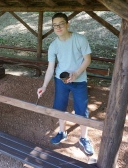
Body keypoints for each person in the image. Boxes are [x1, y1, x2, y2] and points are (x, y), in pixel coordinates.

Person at [37, 13, 94, 155]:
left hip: (79, 80)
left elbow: (87, 59)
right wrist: (44, 86)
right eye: (55, 25)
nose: (58, 27)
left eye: (61, 23)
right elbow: (51, 68)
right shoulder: (53, 45)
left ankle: (84, 138)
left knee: (82, 109)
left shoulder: (80, 39)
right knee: (59, 108)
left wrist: (76, 73)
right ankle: (62, 132)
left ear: (67, 24)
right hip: (60, 80)